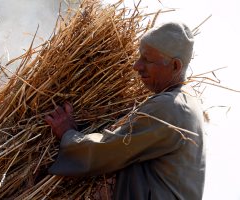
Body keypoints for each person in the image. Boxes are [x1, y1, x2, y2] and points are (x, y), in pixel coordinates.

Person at [44, 22, 205, 200]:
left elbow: (108, 150)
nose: (137, 66)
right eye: (139, 57)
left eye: (147, 60)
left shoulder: (171, 107)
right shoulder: (186, 104)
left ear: (175, 66)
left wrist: (68, 134)